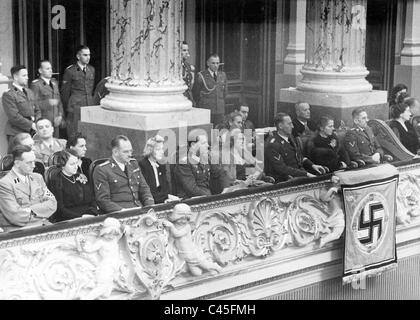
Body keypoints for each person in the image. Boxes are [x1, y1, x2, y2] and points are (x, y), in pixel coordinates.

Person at [0, 145, 57, 232]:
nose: (34, 166)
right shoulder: (5, 183)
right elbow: (15, 216)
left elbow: (53, 203)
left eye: (34, 161)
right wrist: (41, 211)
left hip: (42, 224)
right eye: (29, 162)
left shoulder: (38, 178)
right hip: (17, 230)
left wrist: (30, 210)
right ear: (17, 163)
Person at [93, 135, 155, 214]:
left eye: (131, 151)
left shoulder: (133, 164)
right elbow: (103, 200)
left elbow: (144, 189)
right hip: (119, 214)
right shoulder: (102, 169)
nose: (130, 154)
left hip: (140, 210)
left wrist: (150, 207)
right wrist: (123, 211)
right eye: (126, 151)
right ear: (115, 152)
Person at [265, 112, 327, 183]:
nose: (292, 126)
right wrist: (306, 174)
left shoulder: (291, 138)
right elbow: (282, 168)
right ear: (280, 126)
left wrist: (312, 165)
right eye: (289, 124)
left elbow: (299, 157)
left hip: (299, 175)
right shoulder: (273, 144)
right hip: (286, 179)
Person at [47, 149, 99, 223]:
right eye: (72, 164)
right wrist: (80, 217)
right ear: (62, 165)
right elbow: (60, 209)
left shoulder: (80, 176)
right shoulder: (56, 180)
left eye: (76, 163)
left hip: (89, 216)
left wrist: (93, 212)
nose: (76, 167)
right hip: (69, 219)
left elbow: (92, 198)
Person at [173, 133, 231, 198]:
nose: (208, 145)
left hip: (208, 196)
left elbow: (221, 173)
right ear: (193, 145)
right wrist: (212, 197)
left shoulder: (207, 157)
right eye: (203, 143)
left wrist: (226, 188)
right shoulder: (184, 164)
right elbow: (192, 189)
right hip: (191, 201)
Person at [61, 45, 95, 137]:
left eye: (89, 55)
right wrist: (66, 109)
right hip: (75, 106)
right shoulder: (70, 71)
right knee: (74, 133)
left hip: (89, 105)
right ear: (78, 56)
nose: (88, 57)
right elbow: (65, 93)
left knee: (88, 133)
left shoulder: (91, 69)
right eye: (85, 55)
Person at [2, 65, 41, 142]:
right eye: (24, 75)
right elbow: (14, 116)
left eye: (27, 75)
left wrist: (38, 122)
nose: (27, 77)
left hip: (32, 132)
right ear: (15, 77)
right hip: (16, 133)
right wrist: (31, 125)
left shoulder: (29, 92)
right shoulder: (9, 94)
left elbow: (37, 110)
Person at [30, 60, 64, 137]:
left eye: (51, 68)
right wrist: (48, 102)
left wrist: (60, 115)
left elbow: (59, 102)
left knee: (55, 145)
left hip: (56, 122)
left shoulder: (54, 82)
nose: (51, 70)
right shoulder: (36, 84)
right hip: (44, 122)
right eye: (47, 68)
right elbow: (33, 104)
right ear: (40, 70)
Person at [193, 54, 228, 125]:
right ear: (208, 63)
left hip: (220, 110)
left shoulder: (223, 75)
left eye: (217, 63)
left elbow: (225, 93)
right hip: (207, 109)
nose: (216, 65)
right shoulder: (201, 76)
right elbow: (195, 93)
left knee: (219, 130)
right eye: (213, 63)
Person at [138, 135, 172, 204]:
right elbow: (148, 191)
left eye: (162, 149)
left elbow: (166, 187)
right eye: (158, 149)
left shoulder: (161, 164)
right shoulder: (143, 165)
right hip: (150, 202)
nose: (162, 152)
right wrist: (164, 199)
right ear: (150, 150)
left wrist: (167, 198)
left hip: (163, 200)